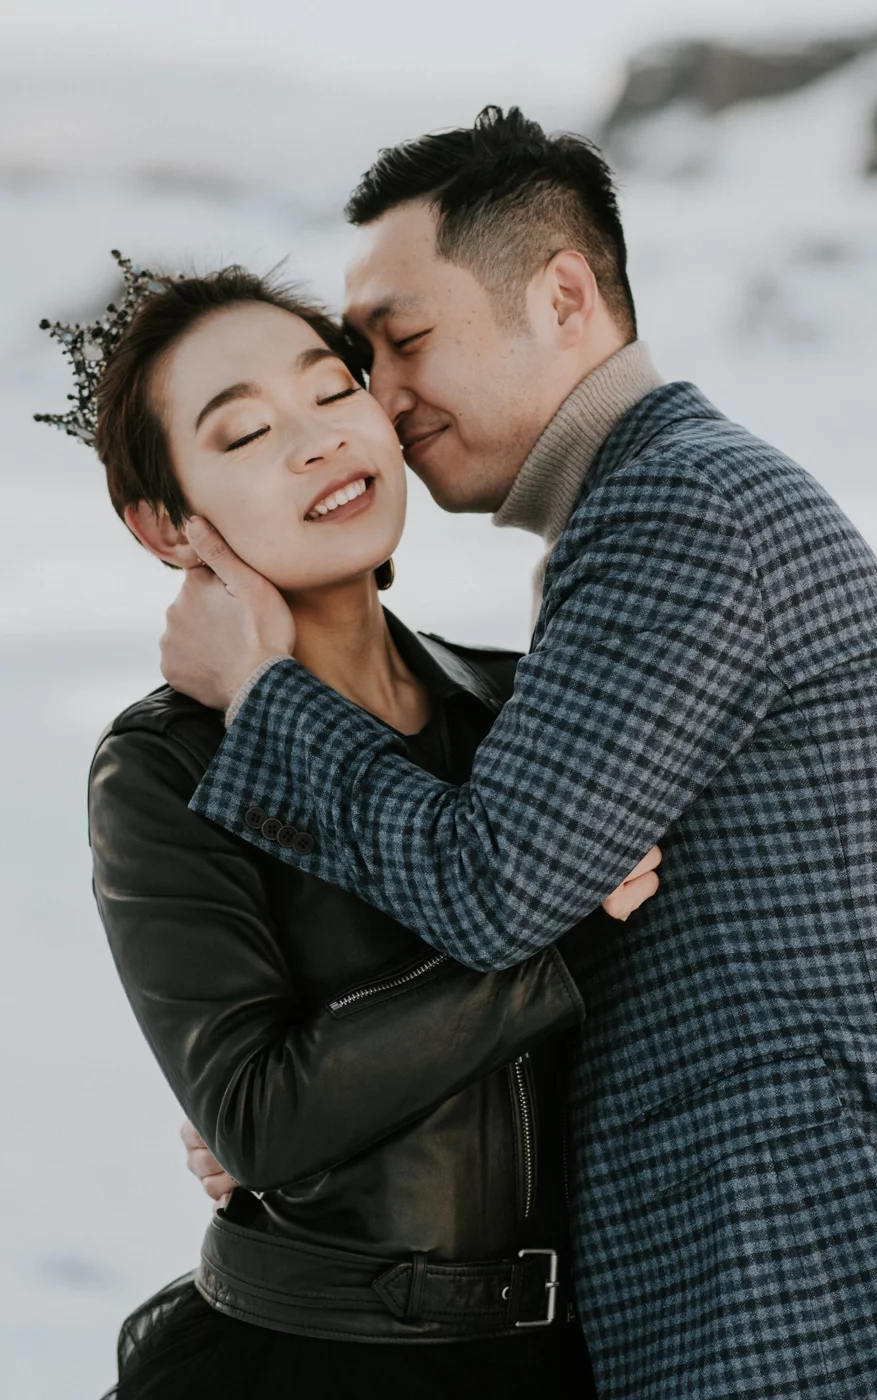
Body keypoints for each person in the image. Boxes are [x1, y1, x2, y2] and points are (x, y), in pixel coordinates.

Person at [160, 107, 877, 1400]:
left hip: (786, 1272)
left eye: (402, 341)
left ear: (562, 296)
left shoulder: (678, 508)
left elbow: (489, 887)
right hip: (748, 1255)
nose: (383, 398)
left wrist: (259, 693)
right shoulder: (646, 511)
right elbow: (566, 935)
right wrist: (313, 1135)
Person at [44, 259, 660, 1399]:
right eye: (242, 435)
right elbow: (260, 1113)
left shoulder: (525, 703)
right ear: (165, 522)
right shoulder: (163, 766)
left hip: (573, 1356)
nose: (317, 439)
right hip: (312, 1359)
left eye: (332, 390)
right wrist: (557, 942)